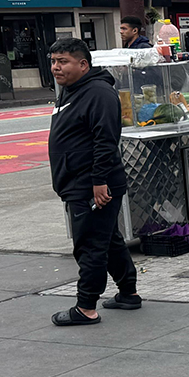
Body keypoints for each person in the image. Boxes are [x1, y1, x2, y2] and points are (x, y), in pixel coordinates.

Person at [46, 38, 138, 326]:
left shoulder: (98, 93)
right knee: (108, 241)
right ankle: (128, 293)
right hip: (78, 181)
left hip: (92, 184)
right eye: (53, 61)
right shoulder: (71, 91)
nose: (56, 67)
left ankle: (86, 306)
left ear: (83, 64)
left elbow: (105, 142)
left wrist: (99, 182)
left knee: (90, 245)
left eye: (63, 62)